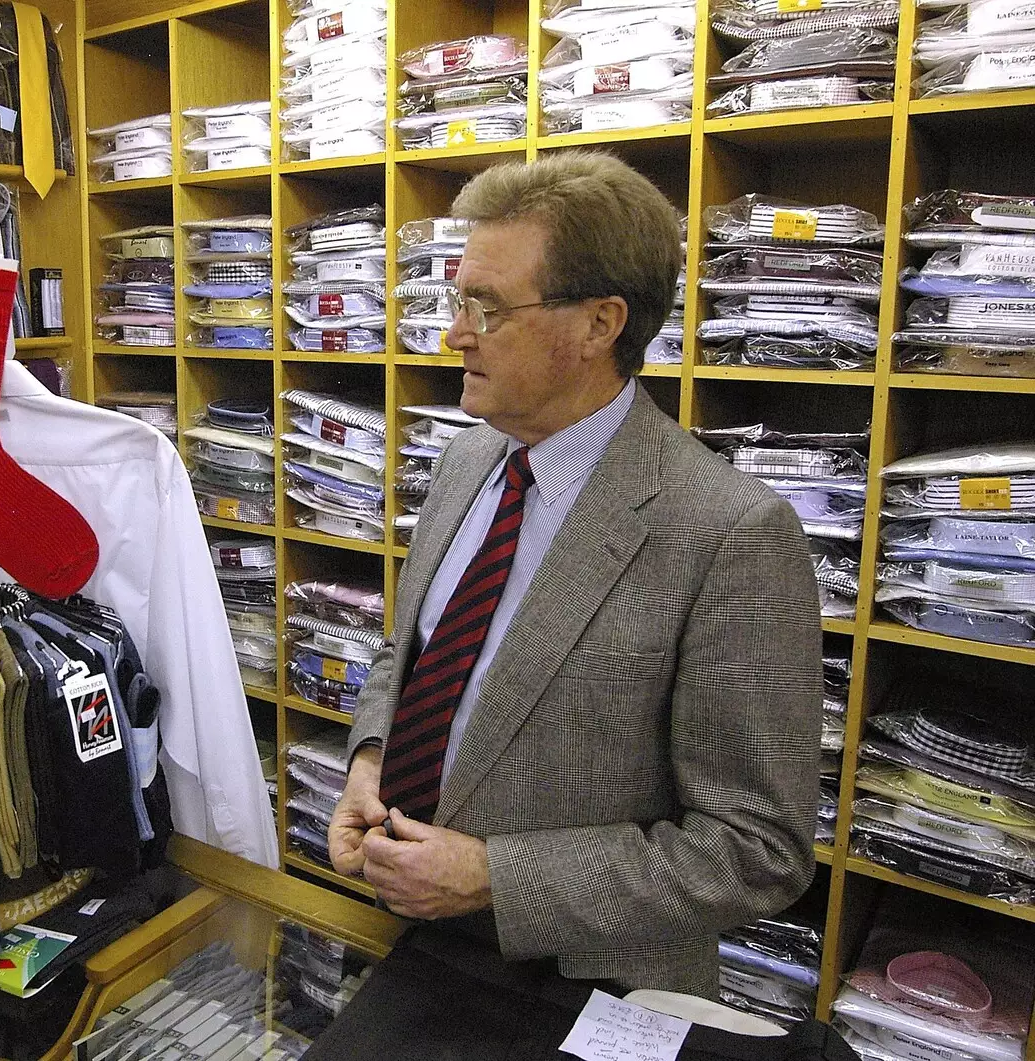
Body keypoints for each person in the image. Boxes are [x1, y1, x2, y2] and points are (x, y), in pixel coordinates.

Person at [326, 150, 824, 999]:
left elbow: (757, 847)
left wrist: (495, 877)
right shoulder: (468, 459)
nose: (455, 333)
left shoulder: (728, 532)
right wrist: (371, 756)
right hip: (403, 941)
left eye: (487, 306)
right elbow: (406, 653)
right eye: (457, 300)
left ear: (599, 324)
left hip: (581, 985)